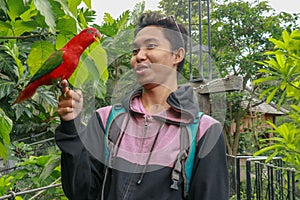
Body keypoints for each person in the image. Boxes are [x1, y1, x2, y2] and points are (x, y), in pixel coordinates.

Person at [55, 11, 229, 200]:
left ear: (177, 55)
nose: (139, 56)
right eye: (135, 51)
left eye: (151, 46)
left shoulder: (204, 131)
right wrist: (71, 126)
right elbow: (81, 192)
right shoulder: (105, 120)